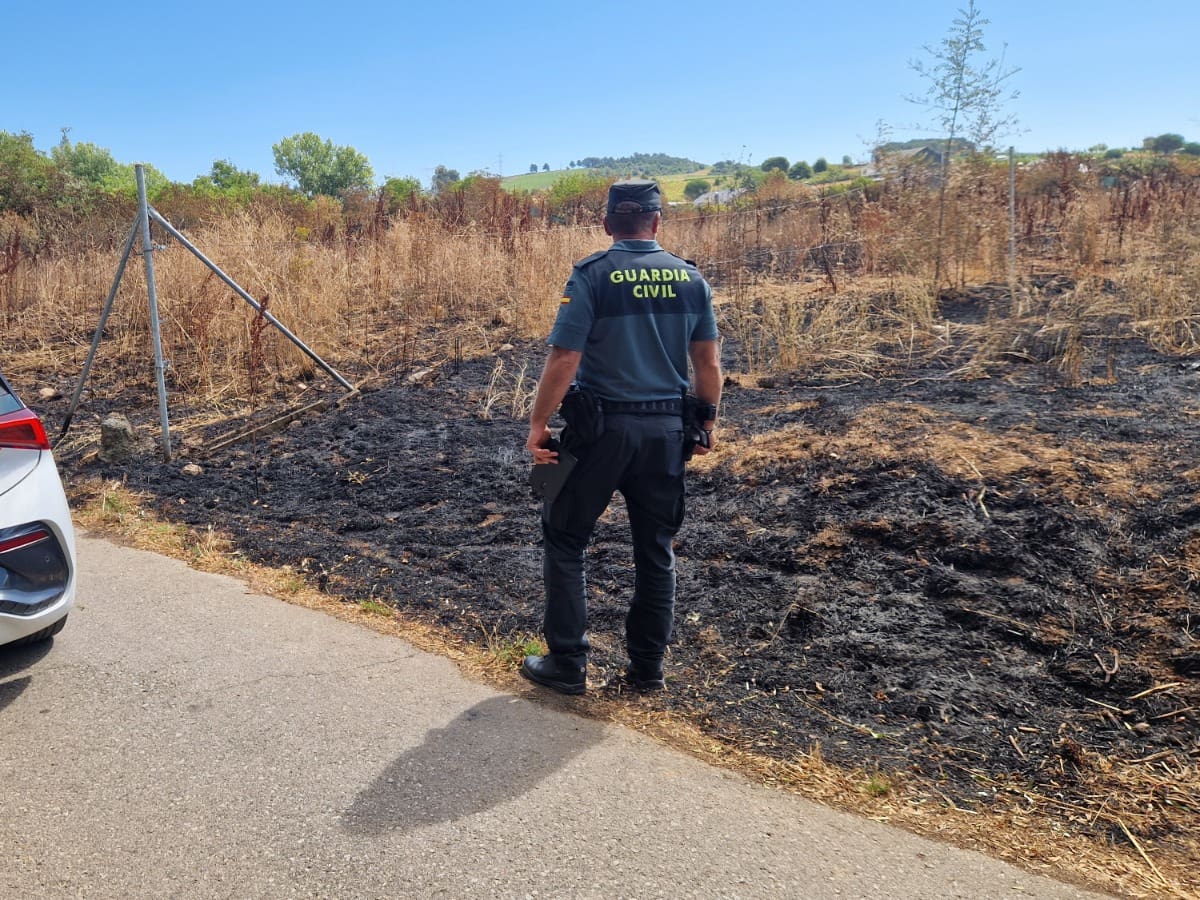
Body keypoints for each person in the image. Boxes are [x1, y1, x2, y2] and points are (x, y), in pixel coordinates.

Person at [522, 179, 721, 696]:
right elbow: (707, 364)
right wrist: (705, 423)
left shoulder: (592, 275)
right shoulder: (690, 279)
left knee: (565, 537)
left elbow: (565, 357)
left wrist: (538, 424)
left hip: (599, 432)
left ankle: (568, 663)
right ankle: (647, 671)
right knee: (655, 550)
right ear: (657, 221)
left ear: (608, 223)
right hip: (666, 434)